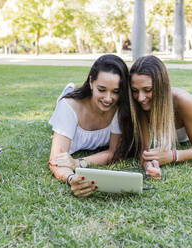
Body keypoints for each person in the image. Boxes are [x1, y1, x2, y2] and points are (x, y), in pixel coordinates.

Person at [127, 44, 192, 179]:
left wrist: (172, 156)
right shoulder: (140, 104)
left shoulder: (183, 101)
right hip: (186, 105)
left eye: (147, 90)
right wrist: (150, 166)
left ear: (161, 87)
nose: (140, 98)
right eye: (135, 91)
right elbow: (145, 150)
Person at [48, 54, 131, 197]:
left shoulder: (119, 109)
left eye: (115, 92)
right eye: (102, 89)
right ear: (91, 82)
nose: (108, 98)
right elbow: (56, 161)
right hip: (69, 107)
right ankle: (64, 95)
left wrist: (77, 163)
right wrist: (71, 179)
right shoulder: (69, 108)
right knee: (62, 105)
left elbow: (113, 153)